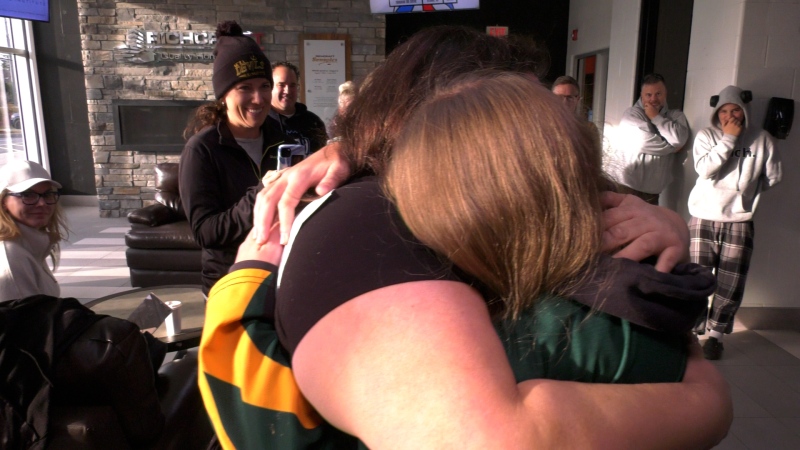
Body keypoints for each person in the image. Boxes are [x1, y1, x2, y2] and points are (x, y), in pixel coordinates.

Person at [199, 27, 731, 449]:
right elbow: (490, 437)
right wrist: (707, 397)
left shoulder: (446, 199)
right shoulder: (367, 224)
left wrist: (661, 228)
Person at [179, 20, 295, 294]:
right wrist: (260, 194)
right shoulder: (202, 150)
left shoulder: (282, 140)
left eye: (264, 86)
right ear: (223, 95)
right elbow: (206, 232)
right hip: (230, 285)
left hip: (280, 278)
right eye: (245, 88)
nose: (259, 98)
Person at [688, 85, 782, 360]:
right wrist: (728, 139)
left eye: (735, 110)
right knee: (697, 277)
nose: (730, 116)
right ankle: (693, 332)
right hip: (703, 216)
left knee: (731, 281)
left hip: (740, 220)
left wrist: (745, 194)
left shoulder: (762, 139)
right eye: (725, 111)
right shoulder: (707, 135)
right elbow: (704, 170)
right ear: (717, 113)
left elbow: (773, 177)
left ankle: (715, 337)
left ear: (745, 111)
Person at [606, 73, 690, 205]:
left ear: (665, 93)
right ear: (641, 95)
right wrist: (672, 148)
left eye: (658, 94)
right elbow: (643, 143)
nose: (653, 99)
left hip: (653, 193)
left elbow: (679, 139)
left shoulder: (675, 115)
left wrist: (656, 117)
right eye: (648, 95)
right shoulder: (632, 114)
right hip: (625, 186)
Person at [0, 160, 68, 301]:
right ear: (3, 202)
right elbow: (25, 320)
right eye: (28, 195)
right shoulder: (10, 257)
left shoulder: (30, 243)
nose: (42, 203)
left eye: (47, 194)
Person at [267, 61, 328, 155]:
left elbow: (324, 156)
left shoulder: (313, 121)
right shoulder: (261, 121)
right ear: (270, 87)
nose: (287, 91)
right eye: (281, 85)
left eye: (292, 85)